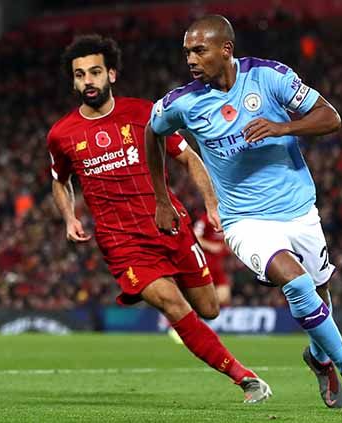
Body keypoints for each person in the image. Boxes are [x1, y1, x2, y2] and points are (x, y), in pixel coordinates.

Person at [147, 15, 342, 408]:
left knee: (319, 293)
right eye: (187, 51)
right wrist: (160, 196)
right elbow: (151, 132)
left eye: (199, 50)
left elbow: (331, 118)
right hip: (245, 220)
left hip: (298, 210)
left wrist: (281, 128)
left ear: (226, 49)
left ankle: (320, 358)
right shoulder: (182, 102)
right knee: (295, 282)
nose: (190, 58)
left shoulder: (269, 77)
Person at [48, 34, 271, 403]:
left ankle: (201, 329)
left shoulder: (145, 113)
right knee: (171, 304)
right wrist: (69, 216)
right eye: (79, 75)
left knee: (209, 309)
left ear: (112, 75)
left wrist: (211, 203)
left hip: (169, 226)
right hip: (123, 243)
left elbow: (188, 157)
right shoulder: (62, 134)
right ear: (73, 81)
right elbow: (59, 181)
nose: (88, 81)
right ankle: (244, 377)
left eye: (95, 72)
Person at [193, 212, 232, 306]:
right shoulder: (205, 218)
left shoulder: (229, 218)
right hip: (205, 265)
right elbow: (194, 237)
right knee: (200, 297)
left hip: (220, 267)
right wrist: (211, 246)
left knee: (225, 297)